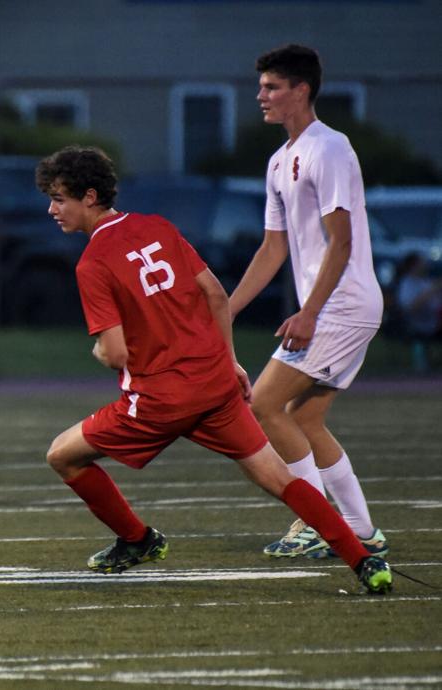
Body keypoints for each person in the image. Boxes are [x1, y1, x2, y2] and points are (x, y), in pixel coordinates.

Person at [35, 145, 391, 594]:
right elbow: (216, 295)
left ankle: (137, 540)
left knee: (62, 455)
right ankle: (364, 561)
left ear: (89, 197)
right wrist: (230, 361)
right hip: (214, 383)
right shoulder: (158, 226)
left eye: (59, 198)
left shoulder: (93, 262)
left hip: (162, 399)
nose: (51, 209)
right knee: (279, 479)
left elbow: (115, 353)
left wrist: (99, 353)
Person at [229, 44, 388, 560]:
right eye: (261, 87)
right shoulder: (280, 161)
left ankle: (315, 521)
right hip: (336, 308)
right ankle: (360, 529)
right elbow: (273, 248)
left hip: (342, 306)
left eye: (272, 87)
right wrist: (225, 311)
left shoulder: (331, 148)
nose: (261, 96)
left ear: (302, 90)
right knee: (305, 419)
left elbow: (340, 242)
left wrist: (310, 312)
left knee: (265, 405)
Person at [394, 252, 442, 373]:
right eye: (422, 262)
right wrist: (429, 293)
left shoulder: (426, 282)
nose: (426, 265)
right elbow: (409, 308)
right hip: (415, 324)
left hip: (435, 322)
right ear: (413, 265)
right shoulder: (406, 284)